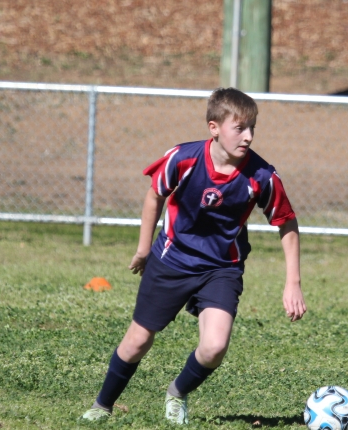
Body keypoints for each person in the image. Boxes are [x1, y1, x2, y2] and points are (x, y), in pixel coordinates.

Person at [80, 87, 307, 424]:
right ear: (214, 127)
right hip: (171, 260)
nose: (248, 136)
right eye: (239, 128)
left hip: (221, 268)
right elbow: (154, 196)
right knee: (137, 342)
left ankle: (177, 393)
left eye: (252, 128)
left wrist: (293, 283)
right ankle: (102, 405)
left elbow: (286, 224)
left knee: (215, 347)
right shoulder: (183, 158)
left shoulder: (262, 177)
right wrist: (144, 249)